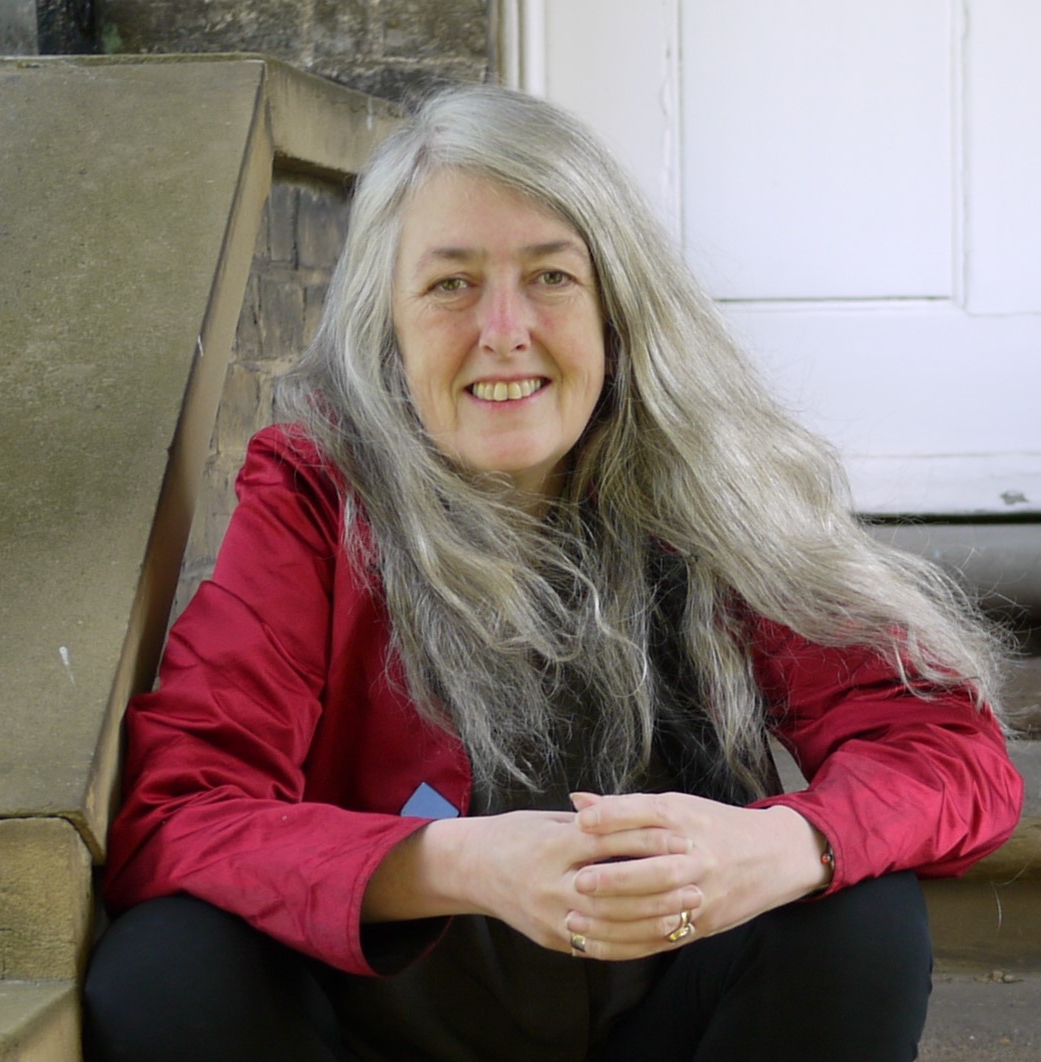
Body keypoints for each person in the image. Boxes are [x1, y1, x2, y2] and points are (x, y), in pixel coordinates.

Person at [84, 85, 1023, 1062]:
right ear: (386, 328)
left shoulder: (701, 481)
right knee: (166, 963)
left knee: (854, 912)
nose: (504, 330)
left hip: (661, 1019)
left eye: (550, 277)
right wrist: (457, 863)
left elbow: (946, 752)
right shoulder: (320, 495)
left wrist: (781, 845)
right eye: (450, 284)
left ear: (615, 307)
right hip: (381, 1030)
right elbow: (181, 812)